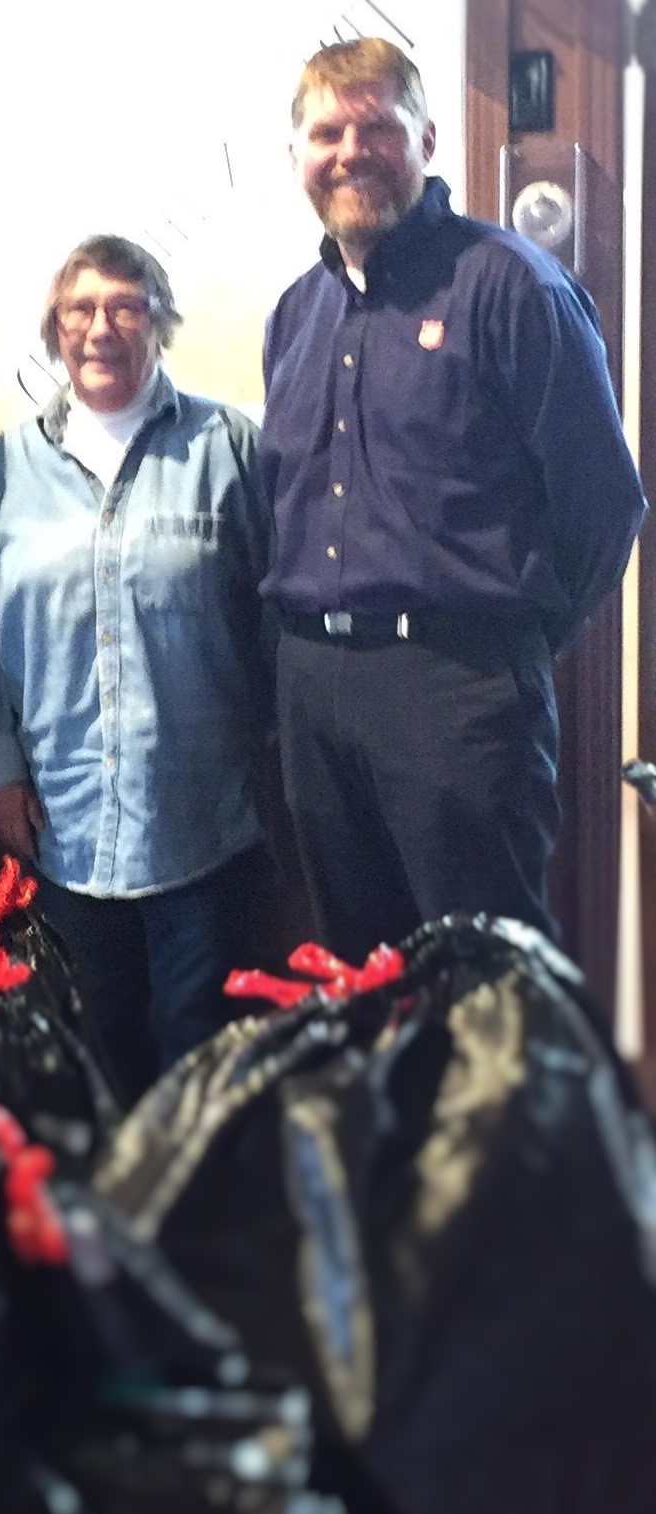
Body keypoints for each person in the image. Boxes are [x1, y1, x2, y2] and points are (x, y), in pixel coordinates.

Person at [262, 37, 644, 960]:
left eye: (377, 126)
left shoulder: (511, 285)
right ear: (298, 158)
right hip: (314, 692)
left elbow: (604, 506)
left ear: (427, 139)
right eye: (327, 132)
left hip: (459, 694)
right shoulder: (294, 314)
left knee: (483, 987)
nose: (351, 150)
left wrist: (503, 652)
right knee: (359, 977)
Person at [0, 236, 270, 1100]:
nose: (101, 327)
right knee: (92, 1040)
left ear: (160, 323)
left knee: (194, 1037)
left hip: (199, 811)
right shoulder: (9, 468)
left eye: (125, 307)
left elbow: (273, 617)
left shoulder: (227, 448)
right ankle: (102, 1220)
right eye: (79, 310)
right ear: (55, 331)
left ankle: (181, 1215)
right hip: (61, 816)